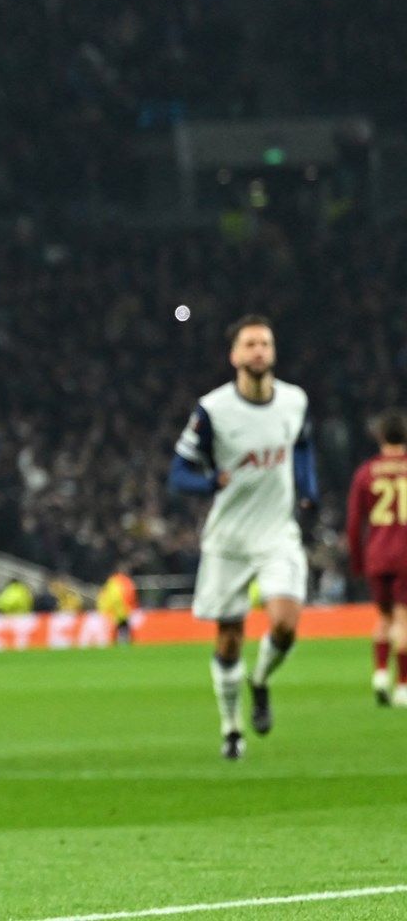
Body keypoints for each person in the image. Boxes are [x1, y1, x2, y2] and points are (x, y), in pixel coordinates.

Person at [168, 314, 316, 760]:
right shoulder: (212, 410)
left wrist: (308, 490)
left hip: (277, 533)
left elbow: (303, 444)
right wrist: (209, 484)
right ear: (234, 356)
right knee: (229, 638)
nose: (258, 351)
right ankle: (231, 727)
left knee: (286, 625)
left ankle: (262, 681)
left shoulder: (294, 401)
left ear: (273, 353)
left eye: (265, 344)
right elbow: (178, 473)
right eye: (250, 344)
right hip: (229, 539)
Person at [345, 409, 407, 706]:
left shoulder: (366, 472)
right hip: (406, 554)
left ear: (380, 437)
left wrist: (357, 560)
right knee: (404, 620)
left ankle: (380, 673)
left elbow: (355, 523)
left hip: (378, 554)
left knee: (382, 617)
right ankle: (404, 686)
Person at [98, 562, 137, 645]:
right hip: (121, 608)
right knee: (122, 626)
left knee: (121, 626)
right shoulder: (122, 581)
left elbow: (107, 595)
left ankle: (120, 642)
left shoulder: (114, 581)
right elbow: (126, 595)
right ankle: (123, 642)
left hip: (119, 609)